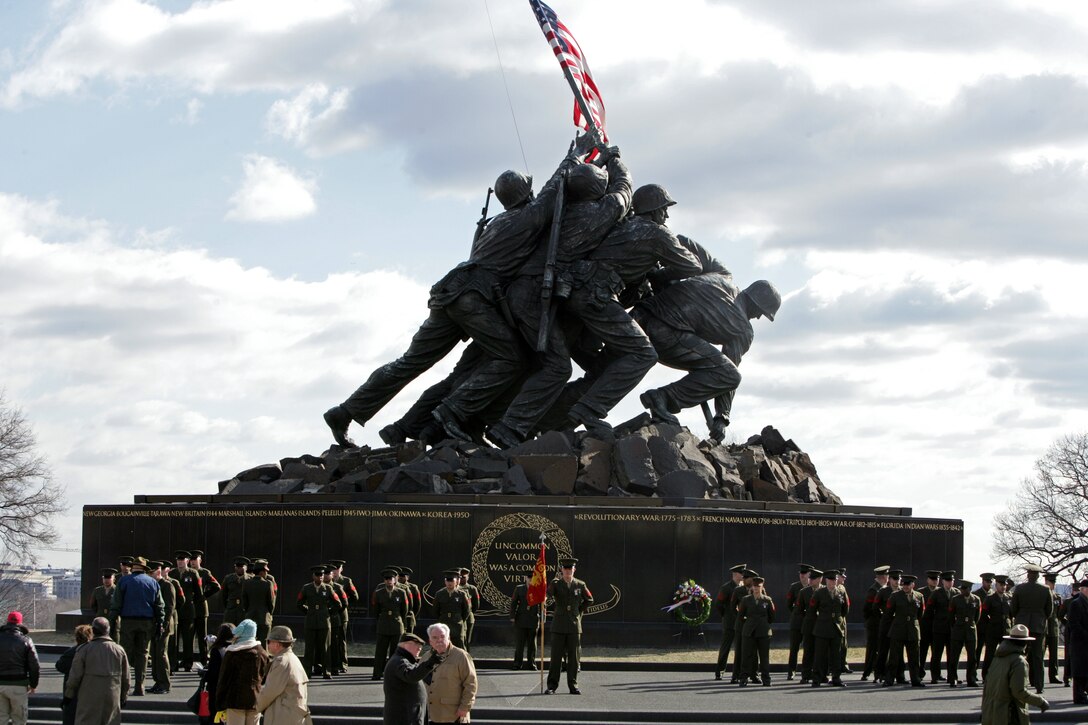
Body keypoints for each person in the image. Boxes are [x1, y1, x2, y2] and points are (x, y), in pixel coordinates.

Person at [325, 140, 593, 448]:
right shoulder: (526, 218)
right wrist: (574, 156)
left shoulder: (497, 223)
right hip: (473, 298)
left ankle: (346, 411)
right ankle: (450, 413)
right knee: (511, 358)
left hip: (450, 291)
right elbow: (553, 191)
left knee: (409, 362)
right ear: (526, 194)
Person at [108, 556, 164, 696]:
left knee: (126, 653)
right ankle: (140, 686)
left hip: (128, 622)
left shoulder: (124, 581)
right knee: (143, 654)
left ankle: (124, 686)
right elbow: (159, 605)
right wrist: (160, 623)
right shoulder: (153, 582)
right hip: (147, 622)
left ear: (133, 567)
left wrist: (112, 621)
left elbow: (116, 603)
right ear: (145, 569)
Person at [62, 618, 128, 725]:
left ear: (93, 630)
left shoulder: (84, 650)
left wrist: (68, 695)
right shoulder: (119, 650)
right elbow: (126, 677)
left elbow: (75, 676)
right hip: (112, 695)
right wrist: (124, 696)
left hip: (89, 696)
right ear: (108, 630)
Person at [981, 624, 1049, 724]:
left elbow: (987, 687)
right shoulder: (1018, 662)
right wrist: (1041, 702)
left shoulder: (998, 658)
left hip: (990, 712)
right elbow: (1019, 692)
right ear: (1026, 643)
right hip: (1008, 715)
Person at [545, 558, 594, 695]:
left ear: (574, 570)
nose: (567, 571)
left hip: (573, 626)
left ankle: (573, 685)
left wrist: (578, 611)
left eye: (570, 569)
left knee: (573, 658)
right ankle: (552, 686)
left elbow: (589, 600)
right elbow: (548, 595)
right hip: (558, 626)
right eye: (565, 569)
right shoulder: (556, 584)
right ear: (562, 570)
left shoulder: (580, 585)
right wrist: (543, 598)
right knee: (556, 658)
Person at [215, 620, 270, 725]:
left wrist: (219, 704)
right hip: (255, 701)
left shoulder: (232, 653)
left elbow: (223, 681)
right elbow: (266, 679)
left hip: (235, 701)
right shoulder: (262, 654)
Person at [1011, 563, 1053, 694]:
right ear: (1038, 576)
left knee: (1019, 655)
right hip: (1038, 626)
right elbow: (1049, 611)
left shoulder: (1019, 588)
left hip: (1022, 626)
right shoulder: (1045, 590)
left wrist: (1020, 617)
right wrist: (1040, 618)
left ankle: (1019, 683)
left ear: (1028, 575)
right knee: (1038, 656)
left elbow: (1013, 608)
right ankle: (1039, 685)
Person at [256, 626, 310, 725]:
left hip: (283, 715)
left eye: (269, 642)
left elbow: (270, 691)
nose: (267, 645)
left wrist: (255, 706)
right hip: (293, 714)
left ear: (277, 644)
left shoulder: (281, 661)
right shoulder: (293, 658)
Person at [425, 623, 477, 724]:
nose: (439, 640)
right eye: (435, 638)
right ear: (430, 641)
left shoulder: (461, 656)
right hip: (432, 714)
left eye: (442, 636)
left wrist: (465, 707)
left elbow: (471, 684)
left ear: (448, 637)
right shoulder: (426, 657)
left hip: (454, 714)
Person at [383, 633, 439, 725]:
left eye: (420, 646)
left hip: (408, 716)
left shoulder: (406, 661)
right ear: (406, 645)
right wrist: (430, 663)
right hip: (404, 718)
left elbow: (421, 675)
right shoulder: (399, 662)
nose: (420, 648)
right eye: (416, 645)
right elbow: (412, 676)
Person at [883, 574, 925, 688]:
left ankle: (916, 679)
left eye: (908, 584)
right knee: (894, 657)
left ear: (913, 585)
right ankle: (889, 679)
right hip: (898, 629)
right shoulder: (895, 596)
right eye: (904, 584)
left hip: (913, 629)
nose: (905, 586)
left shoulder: (919, 596)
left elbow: (921, 614)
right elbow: (888, 613)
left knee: (914, 657)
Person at [297, 565, 338, 680]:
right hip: (310, 622)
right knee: (309, 649)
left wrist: (328, 612)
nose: (320, 577)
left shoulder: (328, 588)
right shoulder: (306, 588)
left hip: (324, 622)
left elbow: (337, 603)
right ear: (313, 576)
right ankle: (307, 672)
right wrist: (308, 611)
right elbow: (299, 603)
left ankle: (327, 672)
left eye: (322, 575)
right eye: (318, 575)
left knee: (325, 648)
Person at [810, 569, 848, 687]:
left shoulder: (841, 592)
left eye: (835, 580)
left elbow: (845, 609)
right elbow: (812, 610)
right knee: (819, 655)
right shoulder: (819, 593)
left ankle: (836, 678)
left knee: (836, 655)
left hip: (836, 627)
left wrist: (838, 619)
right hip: (822, 628)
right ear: (826, 580)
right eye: (831, 580)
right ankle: (817, 678)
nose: (833, 582)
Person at [0, 612, 39, 725]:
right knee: (19, 719)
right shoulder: (26, 640)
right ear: (20, 623)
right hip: (19, 684)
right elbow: (34, 665)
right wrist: (33, 684)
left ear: (7, 621)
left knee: (1, 718)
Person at [371, 567, 409, 680]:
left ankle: (393, 675)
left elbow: (404, 610)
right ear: (384, 580)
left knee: (395, 652)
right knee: (380, 651)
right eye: (386, 579)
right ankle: (377, 673)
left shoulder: (401, 592)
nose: (389, 581)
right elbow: (375, 610)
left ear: (395, 579)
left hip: (396, 625)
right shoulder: (378, 593)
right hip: (383, 625)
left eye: (391, 578)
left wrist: (399, 619)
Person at [170, 550, 205, 672]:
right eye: (178, 560)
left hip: (188, 610)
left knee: (188, 639)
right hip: (175, 610)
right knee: (173, 639)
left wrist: (191, 601)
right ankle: (173, 663)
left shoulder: (193, 573)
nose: (180, 562)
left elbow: (199, 593)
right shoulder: (172, 573)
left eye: (182, 560)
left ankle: (188, 663)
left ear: (187, 561)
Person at [737, 576, 775, 686]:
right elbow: (740, 616)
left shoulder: (767, 600)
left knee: (764, 657)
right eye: (755, 586)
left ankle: (766, 679)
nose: (756, 588)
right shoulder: (746, 600)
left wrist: (762, 623)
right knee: (746, 656)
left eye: (758, 586)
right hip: (749, 632)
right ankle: (743, 679)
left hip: (763, 632)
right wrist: (749, 623)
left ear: (762, 586)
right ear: (752, 587)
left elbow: (772, 617)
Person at [713, 563, 746, 680]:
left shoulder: (744, 588)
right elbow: (718, 604)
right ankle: (720, 671)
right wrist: (726, 616)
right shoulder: (726, 588)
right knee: (725, 647)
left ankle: (738, 672)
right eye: (741, 573)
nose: (743, 575)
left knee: (740, 648)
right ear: (735, 574)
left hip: (741, 623)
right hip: (730, 622)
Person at [148, 560, 176, 693]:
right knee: (154, 653)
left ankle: (165, 683)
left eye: (150, 572)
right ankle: (157, 681)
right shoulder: (152, 585)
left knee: (161, 653)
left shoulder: (167, 585)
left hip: (163, 625)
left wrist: (163, 625)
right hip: (153, 624)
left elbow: (170, 608)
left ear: (158, 572)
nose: (148, 575)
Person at [56, 625, 93, 725]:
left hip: (72, 695)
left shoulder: (70, 653)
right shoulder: (94, 652)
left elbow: (59, 666)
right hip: (90, 693)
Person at [947, 579, 981, 688]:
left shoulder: (976, 599)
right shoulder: (955, 599)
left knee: (972, 657)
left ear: (970, 589)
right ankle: (953, 679)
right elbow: (951, 616)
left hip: (970, 630)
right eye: (961, 588)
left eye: (964, 589)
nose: (962, 591)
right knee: (954, 656)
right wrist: (956, 626)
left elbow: (977, 616)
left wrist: (971, 624)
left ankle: (971, 679)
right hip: (958, 629)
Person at [191, 549, 221, 667]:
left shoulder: (204, 573)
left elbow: (216, 586)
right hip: (189, 608)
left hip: (201, 608)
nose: (193, 562)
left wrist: (204, 596)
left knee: (202, 635)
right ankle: (188, 659)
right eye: (191, 560)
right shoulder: (187, 573)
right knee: (189, 635)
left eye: (195, 560)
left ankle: (204, 658)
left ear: (200, 560)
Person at [927, 570, 957, 684]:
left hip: (952, 628)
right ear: (943, 581)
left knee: (952, 654)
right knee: (937, 653)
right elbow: (929, 611)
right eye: (947, 581)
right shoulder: (936, 593)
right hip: (939, 627)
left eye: (952, 581)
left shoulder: (956, 593)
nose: (950, 583)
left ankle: (952, 676)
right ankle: (935, 676)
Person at [983, 574, 1015, 680]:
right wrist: (991, 623)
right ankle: (986, 675)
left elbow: (1012, 614)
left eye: (1004, 585)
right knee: (990, 654)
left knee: (1007, 655)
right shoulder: (990, 598)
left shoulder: (1009, 598)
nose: (1003, 587)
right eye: (1001, 585)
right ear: (996, 585)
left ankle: (1005, 676)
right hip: (993, 630)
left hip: (1006, 630)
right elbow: (983, 614)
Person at [873, 568, 902, 684]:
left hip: (899, 625)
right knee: (883, 650)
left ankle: (899, 675)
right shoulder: (883, 592)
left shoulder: (902, 591)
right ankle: (879, 673)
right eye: (894, 579)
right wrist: (882, 617)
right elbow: (875, 607)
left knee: (898, 652)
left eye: (898, 579)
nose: (897, 581)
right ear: (889, 579)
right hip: (886, 624)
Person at [861, 565, 890, 681]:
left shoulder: (884, 589)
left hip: (881, 623)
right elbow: (868, 608)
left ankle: (879, 672)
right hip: (874, 624)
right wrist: (874, 619)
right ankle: (867, 672)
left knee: (880, 649)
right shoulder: (874, 590)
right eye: (887, 576)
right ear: (883, 577)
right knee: (873, 649)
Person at [330, 559, 359, 671]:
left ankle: (343, 663)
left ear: (341, 569)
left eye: (337, 569)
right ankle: (331, 663)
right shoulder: (326, 580)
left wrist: (344, 604)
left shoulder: (346, 581)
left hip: (341, 614)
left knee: (341, 639)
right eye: (333, 569)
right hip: (329, 614)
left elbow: (355, 596)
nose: (335, 571)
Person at [784, 564, 812, 680]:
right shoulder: (794, 587)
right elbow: (789, 604)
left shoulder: (814, 588)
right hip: (797, 622)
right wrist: (797, 613)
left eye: (804, 574)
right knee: (794, 648)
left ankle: (807, 670)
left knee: (808, 648)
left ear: (809, 575)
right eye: (801, 574)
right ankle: (791, 671)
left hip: (809, 622)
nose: (802, 576)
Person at [203, 623, 234, 725]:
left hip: (217, 689)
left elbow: (213, 672)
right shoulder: (236, 649)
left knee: (215, 717)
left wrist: (204, 676)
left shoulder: (217, 650)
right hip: (231, 688)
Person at [510, 575, 541, 670]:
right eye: (529, 578)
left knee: (532, 644)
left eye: (532, 578)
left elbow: (542, 604)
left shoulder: (538, 589)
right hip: (521, 619)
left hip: (533, 619)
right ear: (525, 578)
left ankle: (531, 664)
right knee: (520, 644)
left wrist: (543, 617)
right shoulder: (519, 589)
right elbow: (514, 603)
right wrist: (512, 616)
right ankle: (517, 664)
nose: (530, 579)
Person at [432, 570, 470, 650]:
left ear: (456, 582)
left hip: (457, 624)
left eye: (452, 581)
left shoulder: (461, 594)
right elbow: (435, 610)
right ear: (445, 581)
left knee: (460, 647)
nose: (449, 583)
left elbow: (466, 611)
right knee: (442, 646)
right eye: (447, 581)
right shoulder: (439, 594)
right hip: (444, 623)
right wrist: (441, 619)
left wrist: (459, 619)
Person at [242, 559, 276, 644]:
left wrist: (248, 612)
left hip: (249, 617)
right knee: (263, 645)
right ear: (261, 572)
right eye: (266, 571)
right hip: (264, 619)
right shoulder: (268, 584)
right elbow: (271, 602)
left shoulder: (246, 583)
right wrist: (270, 614)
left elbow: (244, 602)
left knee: (250, 643)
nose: (266, 573)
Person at [799, 568, 824, 684]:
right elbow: (798, 610)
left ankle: (820, 674)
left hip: (822, 625)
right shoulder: (804, 592)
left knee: (821, 652)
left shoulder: (825, 591)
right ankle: (805, 674)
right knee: (808, 651)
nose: (810, 581)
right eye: (810, 578)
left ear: (820, 579)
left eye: (813, 579)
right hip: (809, 624)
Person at [1065, 579, 1088, 705]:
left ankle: (1083, 694)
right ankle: (1079, 696)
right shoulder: (1076, 604)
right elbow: (1074, 624)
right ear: (1083, 589)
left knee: (1085, 670)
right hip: (1080, 643)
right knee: (1079, 672)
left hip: (1085, 643)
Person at [89, 569, 119, 642]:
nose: (106, 580)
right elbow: (93, 605)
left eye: (109, 578)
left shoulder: (117, 590)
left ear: (114, 579)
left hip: (113, 620)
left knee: (114, 639)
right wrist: (99, 613)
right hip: (100, 618)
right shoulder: (97, 590)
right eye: (105, 578)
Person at [221, 557, 251, 627]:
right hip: (231, 610)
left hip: (244, 611)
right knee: (228, 631)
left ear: (246, 568)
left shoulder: (250, 579)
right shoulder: (228, 578)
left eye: (241, 567)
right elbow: (223, 595)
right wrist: (228, 606)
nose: (239, 569)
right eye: (237, 567)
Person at [1043, 572, 1062, 685]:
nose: (1053, 585)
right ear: (1046, 582)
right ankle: (1037, 677)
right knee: (1040, 653)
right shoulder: (1042, 596)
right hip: (1043, 628)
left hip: (1053, 628)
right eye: (1051, 582)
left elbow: (1059, 613)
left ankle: (1054, 676)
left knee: (1054, 655)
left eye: (1054, 582)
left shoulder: (1057, 597)